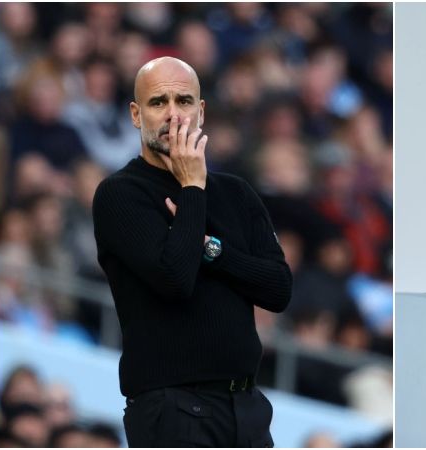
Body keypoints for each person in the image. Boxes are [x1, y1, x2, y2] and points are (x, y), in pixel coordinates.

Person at [92, 56, 292, 447]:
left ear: (200, 111)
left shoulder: (236, 192)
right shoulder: (120, 194)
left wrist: (213, 252)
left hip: (246, 406)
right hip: (172, 406)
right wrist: (193, 188)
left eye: (183, 101)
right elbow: (175, 278)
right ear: (136, 114)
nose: (173, 114)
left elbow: (279, 289)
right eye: (157, 102)